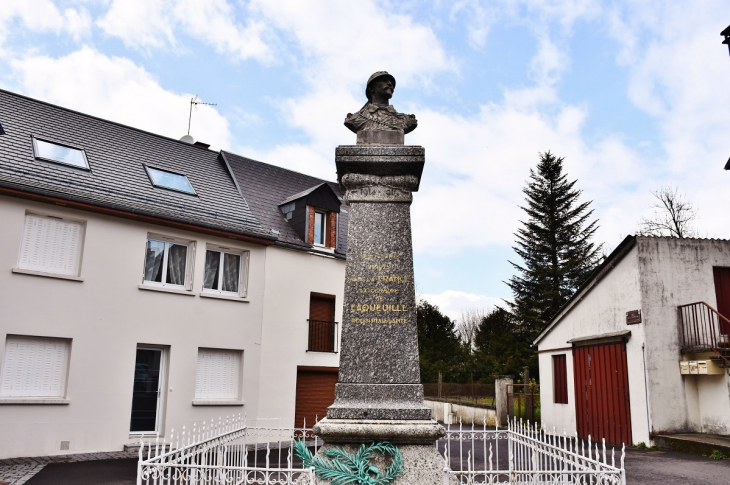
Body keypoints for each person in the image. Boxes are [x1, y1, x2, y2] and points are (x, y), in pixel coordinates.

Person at [345, 71, 417, 136]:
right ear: (371, 88)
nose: (390, 84)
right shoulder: (356, 118)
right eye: (383, 81)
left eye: (391, 82)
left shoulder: (405, 120)